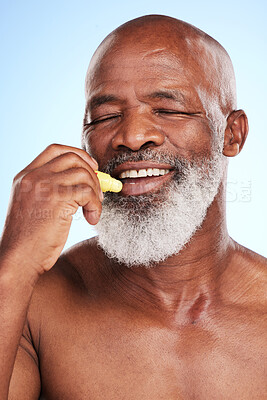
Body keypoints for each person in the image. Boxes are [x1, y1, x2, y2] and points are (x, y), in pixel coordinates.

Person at [0, 14, 266, 400]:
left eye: (168, 109)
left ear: (232, 134)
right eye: (106, 116)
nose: (132, 136)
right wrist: (13, 265)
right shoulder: (32, 305)